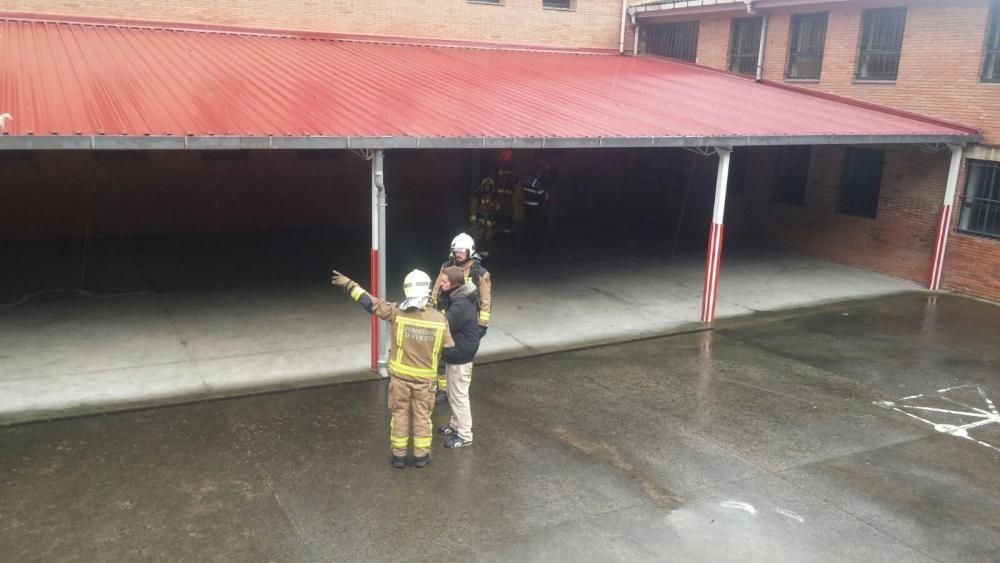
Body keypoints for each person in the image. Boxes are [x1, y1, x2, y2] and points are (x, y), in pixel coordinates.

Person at [331, 268, 454, 469]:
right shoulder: (440, 319)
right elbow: (449, 348)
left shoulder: (396, 312)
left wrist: (349, 284)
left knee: (399, 417)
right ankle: (421, 457)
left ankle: (398, 457)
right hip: (426, 383)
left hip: (400, 381)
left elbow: (371, 304)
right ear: (427, 289)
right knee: (423, 418)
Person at [429, 233, 492, 404]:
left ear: (469, 251)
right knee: (443, 355)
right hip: (447, 315)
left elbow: (485, 301)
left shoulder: (480, 273)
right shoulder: (446, 266)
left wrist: (482, 326)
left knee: (462, 359)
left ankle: (459, 391)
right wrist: (429, 308)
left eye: (462, 252)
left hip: (466, 321)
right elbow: (436, 289)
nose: (458, 255)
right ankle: (443, 389)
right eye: (456, 251)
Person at [436, 266, 480, 449]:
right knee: (454, 394)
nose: (440, 283)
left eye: (444, 281)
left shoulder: (461, 305)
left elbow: (443, 323)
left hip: (460, 355)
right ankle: (455, 426)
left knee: (459, 396)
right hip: (458, 353)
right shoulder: (459, 298)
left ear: (454, 284)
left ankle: (465, 435)